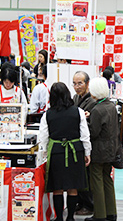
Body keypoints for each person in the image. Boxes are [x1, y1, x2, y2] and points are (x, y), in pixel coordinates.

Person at [38, 82, 91, 221]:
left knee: (58, 187)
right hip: (75, 151)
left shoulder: (47, 114)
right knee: (73, 186)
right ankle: (71, 218)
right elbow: (85, 135)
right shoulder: (78, 111)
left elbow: (42, 137)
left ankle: (60, 217)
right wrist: (87, 152)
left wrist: (43, 154)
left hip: (56, 152)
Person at [85, 77, 118, 221]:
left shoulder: (97, 109)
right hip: (111, 149)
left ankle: (99, 214)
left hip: (98, 150)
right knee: (107, 179)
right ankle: (111, 212)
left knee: (96, 181)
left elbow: (93, 132)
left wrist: (87, 121)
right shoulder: (111, 106)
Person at [72, 71, 96, 215]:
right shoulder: (75, 98)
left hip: (88, 143)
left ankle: (89, 205)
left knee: (87, 177)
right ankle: (80, 202)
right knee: (79, 177)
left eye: (80, 83)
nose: (77, 86)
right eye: (74, 83)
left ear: (87, 83)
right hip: (77, 143)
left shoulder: (92, 102)